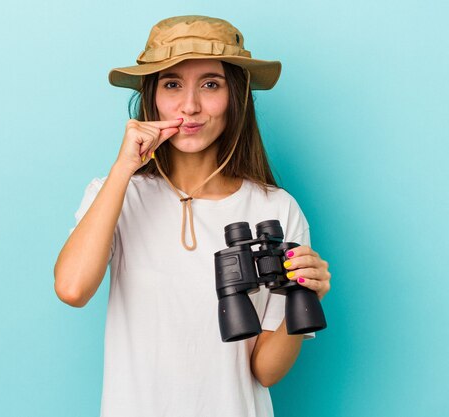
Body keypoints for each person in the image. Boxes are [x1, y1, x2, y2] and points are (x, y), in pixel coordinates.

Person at [54, 15, 332, 417]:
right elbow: (73, 289)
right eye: (171, 85)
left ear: (235, 95)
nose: (190, 106)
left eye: (210, 84)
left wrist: (303, 298)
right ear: (150, 98)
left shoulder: (276, 208)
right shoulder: (116, 194)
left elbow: (264, 372)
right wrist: (123, 170)